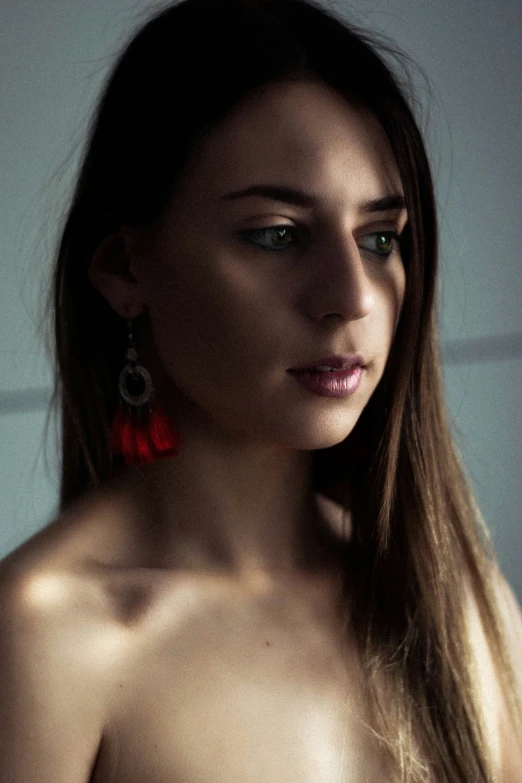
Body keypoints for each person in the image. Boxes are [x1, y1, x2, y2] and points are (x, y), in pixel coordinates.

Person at [1, 0, 521, 780]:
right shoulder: (44, 635)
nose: (350, 295)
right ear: (123, 266)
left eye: (380, 239)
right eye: (276, 234)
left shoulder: (457, 600)